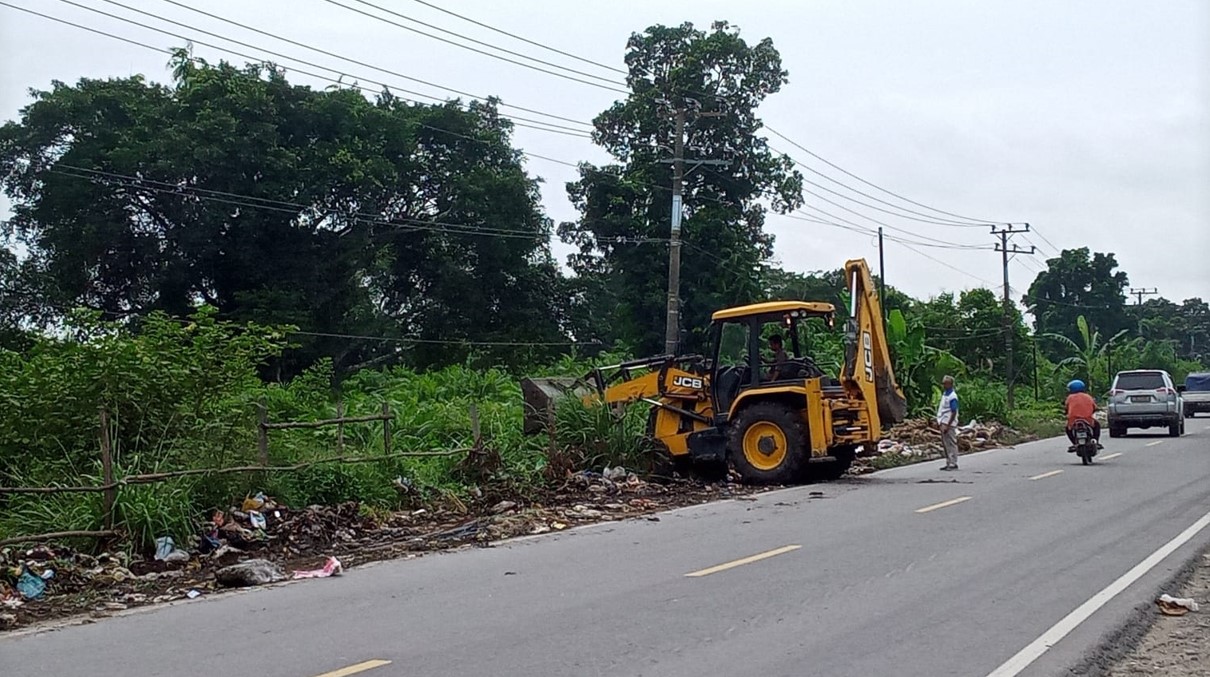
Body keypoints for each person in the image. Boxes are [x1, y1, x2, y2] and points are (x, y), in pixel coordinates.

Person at [1064, 379, 1102, 451]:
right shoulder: (1088, 396)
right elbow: (1094, 407)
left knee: (1067, 429)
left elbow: (1066, 408)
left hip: (1073, 420)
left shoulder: (1069, 398)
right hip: (1087, 419)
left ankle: (1074, 443)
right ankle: (1096, 441)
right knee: (1097, 425)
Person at [937, 375, 960, 470]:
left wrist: (948, 424)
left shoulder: (952, 396)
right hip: (943, 421)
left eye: (945, 383)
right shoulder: (945, 394)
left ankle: (953, 462)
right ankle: (948, 461)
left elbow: (954, 411)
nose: (943, 385)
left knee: (951, 442)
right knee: (946, 443)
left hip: (948, 422)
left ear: (950, 384)